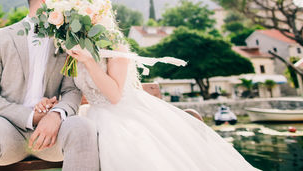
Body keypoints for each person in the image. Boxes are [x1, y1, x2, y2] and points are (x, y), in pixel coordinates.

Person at [62, 17, 261, 171]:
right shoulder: (73, 51)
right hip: (93, 115)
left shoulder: (114, 45)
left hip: (122, 113)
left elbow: (114, 96)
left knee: (127, 146)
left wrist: (89, 61)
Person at [0, 0, 100, 171]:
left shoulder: (68, 40)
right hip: (8, 129)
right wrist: (32, 117)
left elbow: (71, 91)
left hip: (54, 133)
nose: (69, 4)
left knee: (83, 128)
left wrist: (56, 115)